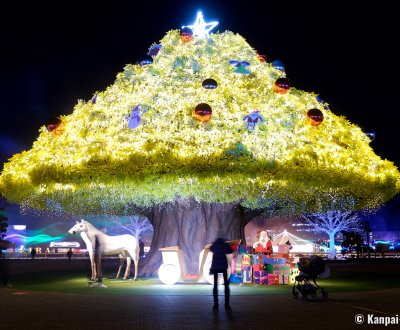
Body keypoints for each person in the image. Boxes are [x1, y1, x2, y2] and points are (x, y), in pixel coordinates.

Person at [209, 228, 233, 311]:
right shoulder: (224, 244)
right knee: (226, 286)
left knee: (215, 286)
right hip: (223, 266)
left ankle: (216, 304)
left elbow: (211, 249)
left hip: (215, 266)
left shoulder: (214, 244)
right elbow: (230, 250)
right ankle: (227, 304)